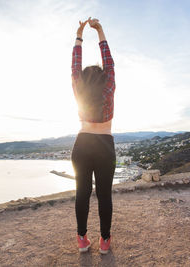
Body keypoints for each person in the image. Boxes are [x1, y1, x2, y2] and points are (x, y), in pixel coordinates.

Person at [71, 17, 116, 255]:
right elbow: (109, 62)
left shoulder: (79, 88)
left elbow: (74, 65)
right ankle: (105, 242)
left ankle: (81, 239)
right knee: (104, 195)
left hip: (82, 143)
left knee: (82, 193)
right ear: (104, 78)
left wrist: (79, 35)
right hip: (105, 144)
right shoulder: (109, 85)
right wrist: (100, 31)